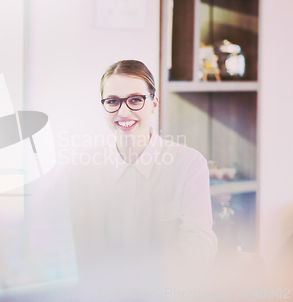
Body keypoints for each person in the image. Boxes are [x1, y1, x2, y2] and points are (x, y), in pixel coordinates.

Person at [68, 60, 217, 299]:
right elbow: (72, 242)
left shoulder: (188, 163)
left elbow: (200, 243)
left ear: (153, 104)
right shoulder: (83, 167)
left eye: (135, 100)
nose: (123, 111)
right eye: (113, 101)